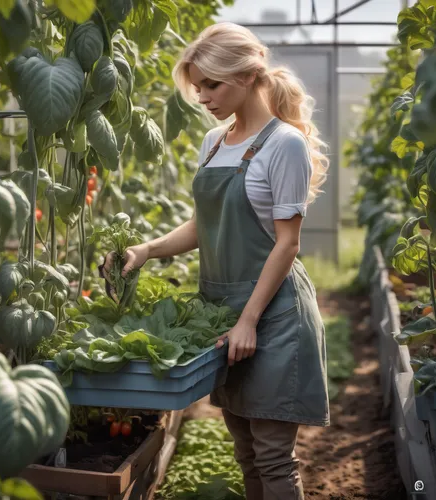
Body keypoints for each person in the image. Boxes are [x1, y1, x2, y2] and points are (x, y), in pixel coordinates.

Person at [104, 21, 330, 500]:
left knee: (272, 457)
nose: (203, 97)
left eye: (212, 84)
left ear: (248, 77)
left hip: (273, 315)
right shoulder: (214, 143)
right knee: (244, 450)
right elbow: (201, 226)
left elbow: (286, 244)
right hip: (224, 315)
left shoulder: (283, 144)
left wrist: (249, 321)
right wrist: (147, 249)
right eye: (197, 87)